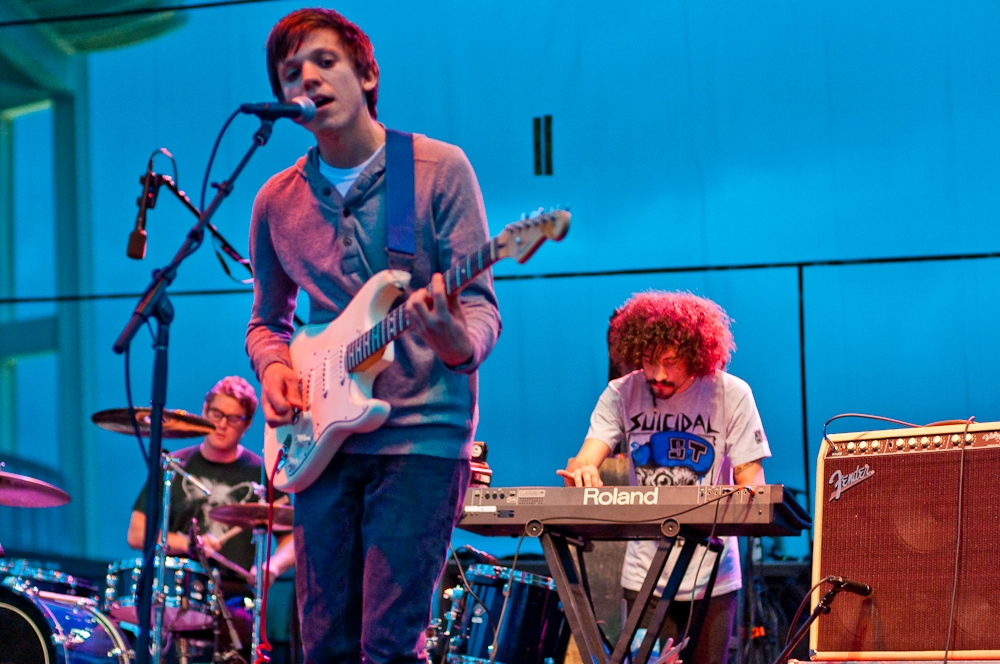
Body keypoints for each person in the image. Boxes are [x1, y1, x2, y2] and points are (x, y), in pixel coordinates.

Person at [245, 7, 501, 662]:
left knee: (388, 645)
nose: (308, 79)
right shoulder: (276, 200)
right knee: (323, 644)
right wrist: (275, 369)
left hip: (419, 436)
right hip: (319, 436)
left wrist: (454, 341)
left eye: (325, 62)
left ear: (366, 74)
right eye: (291, 72)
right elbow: (268, 323)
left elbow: (479, 310)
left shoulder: (439, 170)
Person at [558, 291, 770, 664]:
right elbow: (583, 461)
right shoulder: (621, 393)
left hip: (713, 579)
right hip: (644, 578)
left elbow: (752, 480)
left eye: (670, 362)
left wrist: (750, 493)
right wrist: (583, 471)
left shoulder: (731, 394)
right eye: (649, 361)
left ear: (697, 354)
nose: (658, 375)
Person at [127, 376, 295, 651]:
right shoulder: (174, 464)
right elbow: (136, 532)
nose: (222, 424)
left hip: (232, 597)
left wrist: (270, 568)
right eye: (216, 414)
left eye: (234, 418)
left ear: (247, 424)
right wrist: (187, 543)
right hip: (175, 591)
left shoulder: (261, 473)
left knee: (241, 631)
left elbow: (293, 540)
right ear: (204, 411)